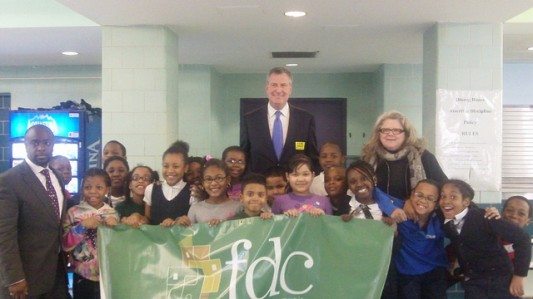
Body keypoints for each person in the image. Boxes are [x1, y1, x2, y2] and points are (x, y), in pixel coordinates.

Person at [0, 124, 69, 298]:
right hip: (25, 278)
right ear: (25, 144)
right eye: (35, 142)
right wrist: (14, 278)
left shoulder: (57, 177)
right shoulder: (9, 181)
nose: (41, 147)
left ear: (53, 144)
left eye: (46, 142)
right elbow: (4, 234)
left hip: (57, 274)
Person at [440, 179, 531, 298]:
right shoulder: (447, 221)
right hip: (474, 282)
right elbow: (461, 242)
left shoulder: (485, 217)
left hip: (500, 282)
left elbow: (523, 239)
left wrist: (519, 276)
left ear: (466, 201)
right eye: (442, 196)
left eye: (453, 196)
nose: (446, 200)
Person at [240, 67, 319, 174]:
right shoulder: (250, 119)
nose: (278, 90)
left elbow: (312, 156)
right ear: (267, 88)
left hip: (294, 186)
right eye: (274, 85)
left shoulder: (306, 119)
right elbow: (245, 156)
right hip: (261, 186)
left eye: (283, 85)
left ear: (290, 89)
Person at [362, 111, 447, 201]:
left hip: (416, 212)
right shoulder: (368, 157)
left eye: (396, 130)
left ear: (406, 134)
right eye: (385, 130)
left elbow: (444, 189)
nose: (390, 134)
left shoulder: (423, 156)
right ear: (378, 133)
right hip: (375, 213)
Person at [62, 168, 118, 299]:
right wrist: (82, 226)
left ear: (107, 189)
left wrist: (116, 228)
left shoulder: (113, 213)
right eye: (88, 187)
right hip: (82, 275)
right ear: (82, 189)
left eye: (99, 187)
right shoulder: (73, 212)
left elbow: (118, 246)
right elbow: (65, 244)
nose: (93, 191)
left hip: (107, 275)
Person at [394, 180, 448, 299]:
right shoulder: (399, 210)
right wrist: (407, 202)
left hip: (434, 273)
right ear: (412, 194)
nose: (423, 201)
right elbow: (377, 193)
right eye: (419, 195)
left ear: (437, 203)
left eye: (430, 198)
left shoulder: (441, 218)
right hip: (407, 275)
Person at [176, 159, 242, 226]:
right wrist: (180, 224)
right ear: (203, 182)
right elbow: (189, 235)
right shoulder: (195, 209)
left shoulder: (239, 207)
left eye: (219, 178)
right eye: (208, 179)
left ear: (228, 179)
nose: (213, 183)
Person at [144, 141, 192, 227]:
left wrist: (181, 221)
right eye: (166, 166)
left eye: (176, 166)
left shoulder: (192, 192)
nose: (170, 171)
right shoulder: (151, 189)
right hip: (155, 239)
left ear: (185, 168)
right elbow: (147, 219)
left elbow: (193, 223)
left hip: (181, 240)